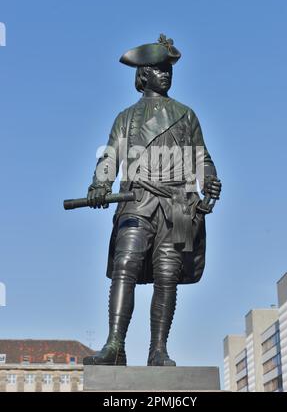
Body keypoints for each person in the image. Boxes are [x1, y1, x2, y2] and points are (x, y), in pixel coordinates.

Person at [83, 34, 222, 366]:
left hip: (177, 206)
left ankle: (158, 349)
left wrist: (210, 180)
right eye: (159, 69)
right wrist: (100, 182)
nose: (166, 74)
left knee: (166, 274)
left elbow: (201, 158)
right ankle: (115, 344)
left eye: (168, 70)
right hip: (137, 201)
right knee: (125, 264)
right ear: (142, 74)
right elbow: (110, 156)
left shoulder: (186, 114)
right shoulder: (126, 118)